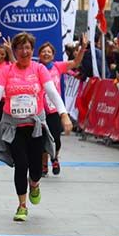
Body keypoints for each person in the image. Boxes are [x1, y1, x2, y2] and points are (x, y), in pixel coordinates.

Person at [0, 33, 71, 222]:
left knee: (35, 168)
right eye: (20, 48)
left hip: (35, 126)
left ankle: (34, 184)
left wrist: (63, 114)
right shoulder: (8, 71)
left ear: (32, 50)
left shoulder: (39, 69)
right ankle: (22, 205)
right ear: (15, 50)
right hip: (14, 126)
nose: (24, 51)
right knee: (21, 165)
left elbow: (52, 92)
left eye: (27, 48)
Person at [37, 37, 86, 175]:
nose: (46, 54)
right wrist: (11, 52)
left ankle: (55, 158)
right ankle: (43, 164)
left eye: (49, 52)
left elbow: (76, 62)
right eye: (43, 52)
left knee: (56, 139)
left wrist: (83, 48)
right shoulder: (35, 67)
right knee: (41, 139)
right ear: (39, 54)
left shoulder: (58, 66)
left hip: (54, 110)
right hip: (40, 109)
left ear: (53, 55)